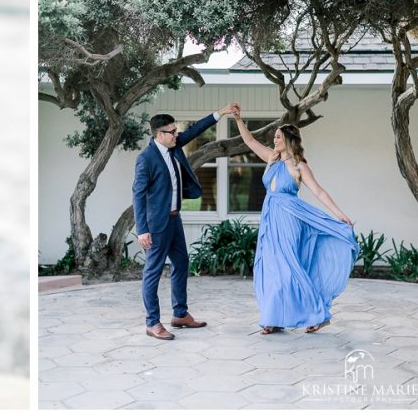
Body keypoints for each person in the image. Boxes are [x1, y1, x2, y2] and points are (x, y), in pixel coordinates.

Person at [232, 113, 358, 334]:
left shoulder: (299, 166)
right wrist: (238, 119)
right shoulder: (272, 159)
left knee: (289, 269)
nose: (274, 140)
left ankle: (317, 314)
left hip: (289, 220)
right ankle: (274, 318)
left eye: (278, 137)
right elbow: (250, 141)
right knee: (271, 269)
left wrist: (339, 214)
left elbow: (318, 191)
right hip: (270, 220)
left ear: (289, 140)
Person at [133, 104, 239, 340]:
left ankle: (180, 314)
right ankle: (152, 323)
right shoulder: (146, 159)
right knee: (153, 271)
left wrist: (220, 113)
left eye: (176, 130)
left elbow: (195, 130)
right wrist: (142, 230)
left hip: (174, 219)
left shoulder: (174, 146)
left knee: (181, 263)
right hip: (156, 225)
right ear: (159, 134)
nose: (177, 134)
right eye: (172, 131)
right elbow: (138, 195)